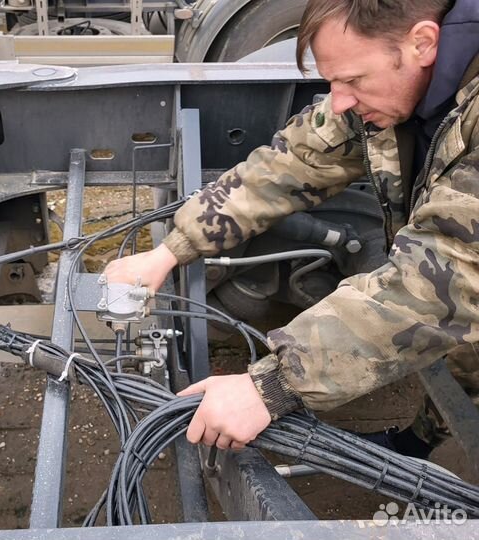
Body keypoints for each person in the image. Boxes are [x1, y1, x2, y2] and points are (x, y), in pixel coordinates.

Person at [105, 0, 479, 458]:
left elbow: (446, 280)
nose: (338, 99)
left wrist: (273, 385)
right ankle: (423, 439)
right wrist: (171, 250)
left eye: (353, 80)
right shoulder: (393, 88)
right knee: (464, 359)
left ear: (423, 42)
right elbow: (296, 160)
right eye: (333, 81)